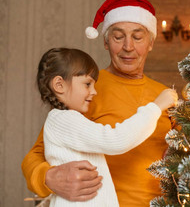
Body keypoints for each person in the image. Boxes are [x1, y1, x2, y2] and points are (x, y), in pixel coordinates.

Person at [22, 0, 176, 206]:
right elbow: (37, 153)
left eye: (138, 37)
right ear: (105, 42)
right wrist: (48, 177)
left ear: (150, 42)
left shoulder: (169, 97)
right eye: (118, 36)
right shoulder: (83, 91)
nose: (128, 47)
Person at [36, 47, 177, 206]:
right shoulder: (62, 120)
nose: (94, 91)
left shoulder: (70, 120)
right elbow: (116, 139)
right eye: (87, 84)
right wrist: (156, 107)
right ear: (59, 85)